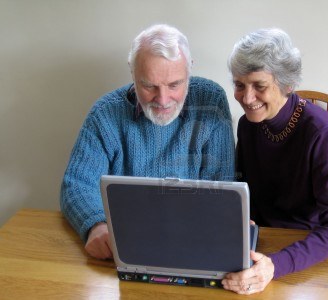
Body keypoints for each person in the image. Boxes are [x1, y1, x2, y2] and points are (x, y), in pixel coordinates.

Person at [60, 24, 235, 259]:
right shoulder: (105, 113)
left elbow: (222, 187)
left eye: (174, 85)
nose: (163, 100)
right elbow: (77, 184)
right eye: (149, 85)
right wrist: (96, 225)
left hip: (193, 242)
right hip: (123, 244)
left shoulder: (211, 100)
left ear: (189, 71)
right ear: (132, 73)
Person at [222, 28, 328, 294]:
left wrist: (276, 265)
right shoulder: (246, 125)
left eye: (259, 86)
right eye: (239, 85)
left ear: (286, 83)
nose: (247, 97)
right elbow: (246, 188)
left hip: (318, 248)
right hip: (269, 243)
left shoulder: (322, 132)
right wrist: (245, 217)